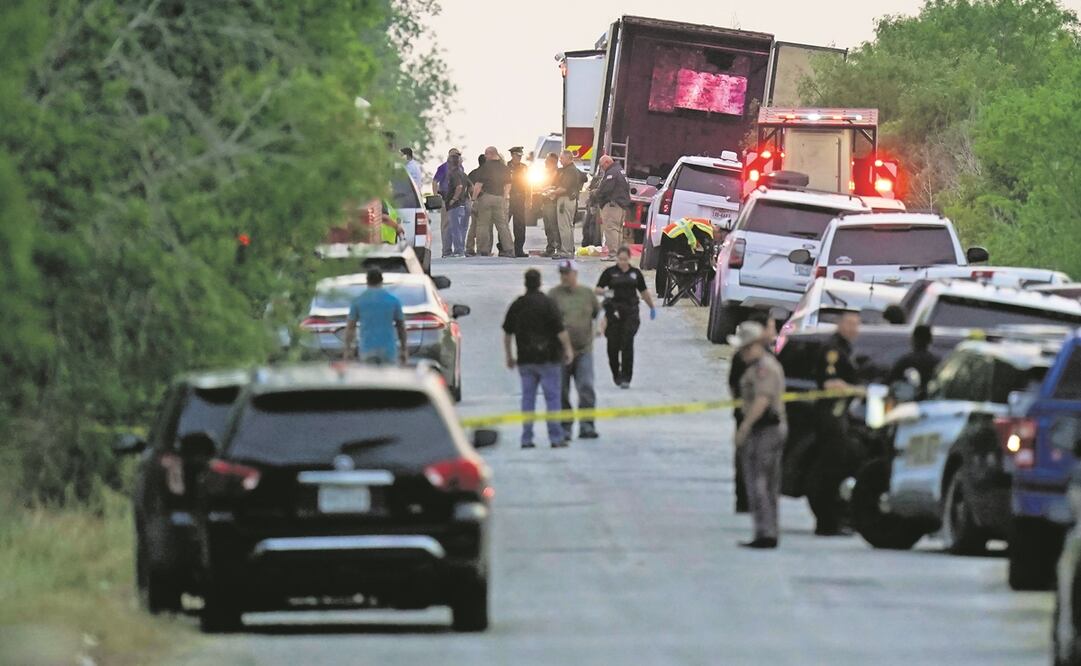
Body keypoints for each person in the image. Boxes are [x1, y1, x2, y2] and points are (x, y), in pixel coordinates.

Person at [730, 321, 788, 549]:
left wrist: (744, 427)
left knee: (759, 482)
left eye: (744, 348)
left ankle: (765, 532)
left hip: (766, 430)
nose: (741, 353)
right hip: (766, 429)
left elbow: (762, 400)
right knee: (766, 482)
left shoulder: (764, 368)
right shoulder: (757, 367)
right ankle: (767, 530)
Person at [503, 269, 575, 449]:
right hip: (549, 359)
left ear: (525, 283)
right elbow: (560, 331)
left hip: (526, 359)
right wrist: (568, 350)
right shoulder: (548, 304)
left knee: (528, 399)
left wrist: (509, 356)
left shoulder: (518, 305)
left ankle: (526, 438)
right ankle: (555, 437)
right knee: (552, 399)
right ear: (540, 283)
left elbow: (507, 333)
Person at [807, 310, 861, 536]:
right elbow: (831, 385)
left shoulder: (845, 348)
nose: (853, 329)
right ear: (839, 324)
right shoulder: (833, 351)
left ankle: (832, 520)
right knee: (830, 471)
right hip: (831, 417)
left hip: (839, 417)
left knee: (837, 470)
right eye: (849, 323)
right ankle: (827, 522)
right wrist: (860, 390)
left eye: (856, 325)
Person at [727, 310, 779, 513]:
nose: (774, 331)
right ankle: (745, 499)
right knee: (746, 458)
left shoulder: (767, 353)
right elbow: (735, 385)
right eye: (772, 326)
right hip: (749, 414)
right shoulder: (748, 357)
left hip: (764, 418)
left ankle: (753, 499)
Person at [549, 260, 601, 440]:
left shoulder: (586, 294)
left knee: (586, 386)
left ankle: (587, 425)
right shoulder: (553, 295)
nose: (564, 277)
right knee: (561, 390)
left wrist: (600, 327)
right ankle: (565, 427)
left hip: (584, 350)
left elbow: (597, 313)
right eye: (562, 273)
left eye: (567, 273)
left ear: (575, 274)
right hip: (560, 352)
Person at [596, 246, 657, 388]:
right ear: (617, 258)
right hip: (613, 311)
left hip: (631, 311)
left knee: (627, 343)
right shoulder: (610, 273)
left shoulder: (635, 273)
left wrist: (652, 307)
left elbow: (643, 292)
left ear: (629, 259)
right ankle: (616, 374)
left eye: (625, 260)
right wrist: (606, 294)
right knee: (612, 346)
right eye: (620, 259)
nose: (622, 262)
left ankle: (626, 377)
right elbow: (598, 289)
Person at [343, 268, 407, 365]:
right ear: (382, 281)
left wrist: (348, 349)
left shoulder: (358, 301)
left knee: (370, 378)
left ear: (367, 281)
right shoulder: (393, 300)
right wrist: (404, 349)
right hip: (388, 349)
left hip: (367, 348)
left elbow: (350, 328)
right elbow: (401, 327)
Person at [471, 146, 514, 258]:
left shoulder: (485, 167)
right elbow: (508, 185)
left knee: (483, 225)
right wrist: (504, 197)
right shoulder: (505, 168)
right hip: (499, 198)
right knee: (503, 225)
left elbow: (478, 185)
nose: (485, 156)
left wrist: (474, 199)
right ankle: (509, 249)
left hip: (486, 198)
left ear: (490, 154)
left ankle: (483, 250)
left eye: (486, 154)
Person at [593, 155, 631, 261]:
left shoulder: (612, 173)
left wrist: (595, 194)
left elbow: (605, 189)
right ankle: (618, 254)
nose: (602, 168)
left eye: (602, 166)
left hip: (612, 206)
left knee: (611, 229)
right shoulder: (620, 171)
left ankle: (613, 254)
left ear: (607, 162)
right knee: (618, 230)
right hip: (621, 205)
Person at [887, 324, 938, 395]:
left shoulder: (905, 361)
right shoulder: (937, 362)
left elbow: (890, 381)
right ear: (930, 340)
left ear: (913, 339)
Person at [551, 150, 583, 260]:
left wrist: (551, 192)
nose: (560, 160)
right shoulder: (569, 170)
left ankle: (566, 251)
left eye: (562, 158)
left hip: (565, 200)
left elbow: (564, 188)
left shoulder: (570, 171)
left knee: (564, 227)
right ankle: (568, 250)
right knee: (568, 226)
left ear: (569, 158)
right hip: (567, 200)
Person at [433, 148, 461, 258]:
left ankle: (457, 250)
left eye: (457, 156)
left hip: (457, 200)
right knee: (446, 225)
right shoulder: (443, 167)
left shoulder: (460, 167)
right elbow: (435, 181)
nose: (456, 158)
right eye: (454, 155)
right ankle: (446, 251)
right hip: (446, 199)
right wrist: (436, 196)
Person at [442, 153, 471, 257]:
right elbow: (470, 186)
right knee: (460, 228)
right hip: (462, 204)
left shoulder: (454, 174)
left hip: (455, 205)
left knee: (455, 229)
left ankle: (459, 251)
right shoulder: (463, 174)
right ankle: (460, 249)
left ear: (450, 163)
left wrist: (453, 199)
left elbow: (459, 187)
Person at [507, 146, 530, 257]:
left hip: (520, 198)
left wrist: (529, 199)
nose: (519, 158)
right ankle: (504, 247)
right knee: (504, 224)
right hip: (509, 198)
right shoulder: (506, 167)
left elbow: (528, 184)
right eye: (517, 155)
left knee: (520, 225)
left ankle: (518, 249)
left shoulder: (524, 168)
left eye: (521, 156)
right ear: (512, 155)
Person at [465, 154, 486, 257]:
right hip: (483, 201)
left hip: (474, 201)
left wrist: (472, 198)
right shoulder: (486, 173)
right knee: (482, 226)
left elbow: (468, 187)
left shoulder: (472, 173)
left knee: (473, 226)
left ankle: (469, 248)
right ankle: (481, 249)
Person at [539, 153, 561, 256]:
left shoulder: (559, 173)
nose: (545, 162)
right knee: (548, 227)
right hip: (545, 202)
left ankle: (559, 248)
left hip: (553, 203)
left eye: (547, 161)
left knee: (554, 227)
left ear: (553, 162)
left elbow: (558, 187)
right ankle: (550, 248)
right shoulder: (546, 173)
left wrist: (550, 189)